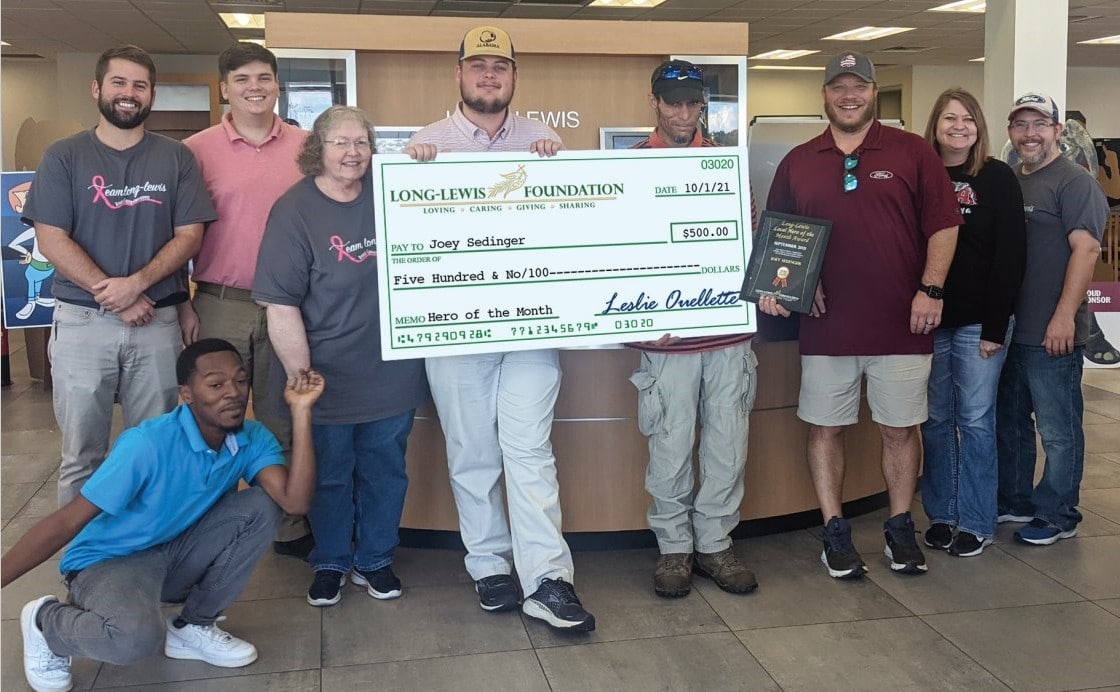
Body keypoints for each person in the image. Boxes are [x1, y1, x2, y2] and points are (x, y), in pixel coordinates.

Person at [404, 26, 594, 632]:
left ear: (514, 76)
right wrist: (411, 177)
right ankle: (489, 565)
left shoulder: (544, 142)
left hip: (530, 332)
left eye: (501, 66)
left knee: (530, 451)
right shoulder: (424, 145)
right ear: (459, 73)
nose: (490, 75)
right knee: (472, 452)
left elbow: (572, 230)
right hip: (455, 332)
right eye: (478, 65)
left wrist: (559, 174)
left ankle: (548, 580)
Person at [1, 339, 324, 692]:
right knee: (134, 639)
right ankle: (46, 623)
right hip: (111, 561)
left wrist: (301, 412)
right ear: (187, 394)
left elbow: (295, 502)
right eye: (216, 384)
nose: (233, 393)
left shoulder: (251, 438)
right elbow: (68, 521)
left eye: (240, 381)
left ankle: (193, 626)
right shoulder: (147, 444)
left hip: (174, 552)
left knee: (262, 504)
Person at [757, 50, 961, 578]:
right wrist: (793, 285)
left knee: (900, 430)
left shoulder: (913, 152)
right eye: (838, 87)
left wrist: (931, 289)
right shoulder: (799, 161)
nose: (849, 96)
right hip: (827, 327)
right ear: (824, 95)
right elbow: (777, 237)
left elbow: (944, 225)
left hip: (903, 324)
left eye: (859, 86)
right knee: (826, 429)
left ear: (873, 92)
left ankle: (899, 528)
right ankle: (834, 531)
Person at [20, 45, 216, 507]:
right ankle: (84, 552)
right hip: (83, 324)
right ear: (97, 89)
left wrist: (136, 285)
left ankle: (148, 544)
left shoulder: (176, 158)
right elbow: (52, 239)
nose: (129, 93)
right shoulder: (64, 156)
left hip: (158, 323)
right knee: (81, 456)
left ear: (152, 95)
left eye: (140, 85)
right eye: (119, 82)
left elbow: (190, 236)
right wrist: (117, 295)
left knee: (155, 451)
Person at [253, 105, 429, 608]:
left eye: (361, 143)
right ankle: (330, 559)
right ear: (318, 149)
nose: (352, 153)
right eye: (340, 143)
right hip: (325, 372)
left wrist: (425, 158)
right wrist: (302, 379)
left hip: (392, 370)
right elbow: (280, 304)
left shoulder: (391, 190)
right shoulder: (294, 210)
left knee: (385, 471)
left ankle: (375, 558)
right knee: (329, 474)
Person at [627, 60, 759, 598]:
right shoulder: (630, 167)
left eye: (691, 103)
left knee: (728, 446)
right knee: (670, 445)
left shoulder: (727, 166)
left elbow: (750, 241)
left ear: (702, 105)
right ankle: (674, 549)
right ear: (654, 103)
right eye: (672, 102)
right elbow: (615, 256)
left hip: (728, 337)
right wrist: (634, 325)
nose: (683, 113)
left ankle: (715, 545)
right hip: (667, 343)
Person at [182, 43, 314, 560]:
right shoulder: (195, 151)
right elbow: (177, 232)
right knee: (215, 419)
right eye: (241, 79)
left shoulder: (308, 147)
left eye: (263, 77)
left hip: (292, 306)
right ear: (224, 88)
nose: (254, 87)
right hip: (221, 302)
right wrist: (183, 303)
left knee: (286, 415)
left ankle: (289, 527)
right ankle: (208, 527)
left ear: (277, 84)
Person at [996, 92, 1109, 545]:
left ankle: (1059, 513)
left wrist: (1064, 318)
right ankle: (1016, 500)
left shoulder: (1074, 182)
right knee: (1012, 423)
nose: (1030, 134)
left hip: (1052, 334)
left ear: (1058, 131)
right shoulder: (1010, 181)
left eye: (1039, 124)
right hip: (1010, 331)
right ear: (1010, 131)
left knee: (1059, 431)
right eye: (1021, 125)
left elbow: (1087, 251)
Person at [918, 88, 1026, 558]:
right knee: (936, 420)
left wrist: (995, 327)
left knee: (977, 421)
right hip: (930, 320)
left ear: (979, 127)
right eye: (949, 118)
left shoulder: (997, 177)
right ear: (935, 125)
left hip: (980, 322)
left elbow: (1011, 255)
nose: (959, 127)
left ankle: (977, 520)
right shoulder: (921, 174)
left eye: (967, 119)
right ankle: (942, 515)